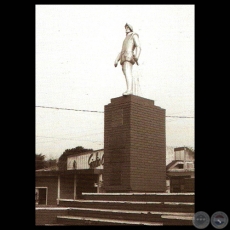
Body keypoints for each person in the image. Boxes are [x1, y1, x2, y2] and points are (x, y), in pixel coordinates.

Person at [114, 23, 141, 95]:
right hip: (123, 57)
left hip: (128, 56)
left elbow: (138, 46)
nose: (126, 29)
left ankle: (129, 90)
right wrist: (117, 59)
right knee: (126, 73)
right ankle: (129, 89)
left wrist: (137, 56)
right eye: (126, 27)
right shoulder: (126, 38)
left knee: (128, 72)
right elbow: (122, 50)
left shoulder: (133, 35)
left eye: (128, 27)